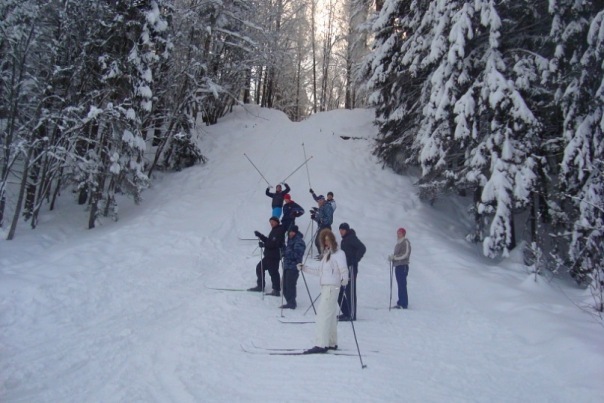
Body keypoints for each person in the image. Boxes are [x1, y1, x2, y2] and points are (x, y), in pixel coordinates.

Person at [297, 229, 348, 354]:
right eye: (324, 241)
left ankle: (320, 344)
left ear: (333, 240)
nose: (326, 243)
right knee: (330, 315)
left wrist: (344, 279)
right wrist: (305, 269)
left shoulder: (338, 254)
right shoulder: (326, 255)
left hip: (332, 287)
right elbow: (320, 272)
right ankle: (331, 342)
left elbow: (343, 269)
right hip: (326, 287)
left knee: (322, 315)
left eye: (328, 240)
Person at [248, 217, 285, 296]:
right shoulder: (274, 230)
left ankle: (276, 290)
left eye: (273, 221)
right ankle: (260, 286)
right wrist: (260, 236)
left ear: (277, 222)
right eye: (270, 222)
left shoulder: (279, 230)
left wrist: (264, 245)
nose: (271, 223)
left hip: (274, 256)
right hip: (268, 255)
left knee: (273, 272)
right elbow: (269, 241)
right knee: (259, 268)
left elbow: (274, 243)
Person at [337, 222, 366, 321]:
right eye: (340, 230)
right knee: (341, 290)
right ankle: (346, 312)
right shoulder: (344, 240)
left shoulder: (351, 238)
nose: (341, 232)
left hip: (351, 267)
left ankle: (352, 315)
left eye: (343, 230)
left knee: (350, 290)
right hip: (345, 268)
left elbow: (362, 248)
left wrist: (355, 259)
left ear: (347, 230)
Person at [280, 225, 306, 309]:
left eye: (292, 232)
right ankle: (289, 301)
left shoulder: (299, 241)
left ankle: (291, 303)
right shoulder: (290, 240)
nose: (291, 233)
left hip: (293, 267)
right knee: (284, 286)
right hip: (287, 266)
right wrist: (283, 250)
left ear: (296, 232)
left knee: (290, 285)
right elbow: (288, 252)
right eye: (290, 232)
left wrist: (286, 252)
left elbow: (298, 255)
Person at [388, 227, 411, 309]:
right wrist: (392, 258)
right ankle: (400, 302)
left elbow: (406, 254)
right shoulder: (398, 243)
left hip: (403, 265)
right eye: (398, 233)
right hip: (398, 266)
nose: (398, 234)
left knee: (402, 285)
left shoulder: (405, 242)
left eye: (400, 233)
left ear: (403, 234)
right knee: (400, 284)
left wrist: (395, 257)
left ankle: (403, 304)